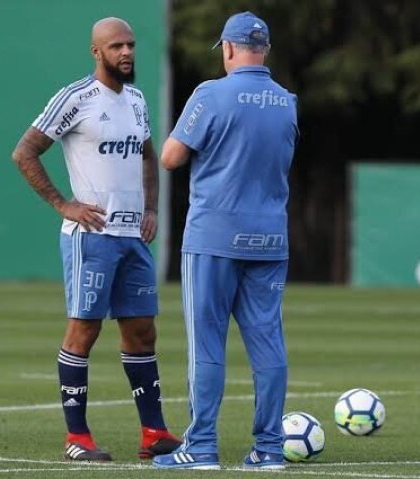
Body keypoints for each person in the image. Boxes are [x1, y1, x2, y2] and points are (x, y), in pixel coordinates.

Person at [11, 17, 181, 462]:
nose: (126, 52)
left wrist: (151, 209)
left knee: (142, 332)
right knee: (84, 331)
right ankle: (77, 438)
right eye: (116, 46)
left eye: (130, 45)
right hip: (93, 238)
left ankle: (154, 433)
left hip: (132, 238)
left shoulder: (139, 100)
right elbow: (24, 151)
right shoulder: (76, 98)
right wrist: (62, 204)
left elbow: (147, 155)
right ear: (96, 52)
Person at [152, 11, 299, 470]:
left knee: (207, 343)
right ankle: (270, 449)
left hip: (214, 235)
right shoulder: (287, 101)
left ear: (229, 49)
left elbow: (171, 157)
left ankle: (201, 448)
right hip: (270, 236)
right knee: (268, 343)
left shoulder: (211, 93)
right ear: (266, 51)